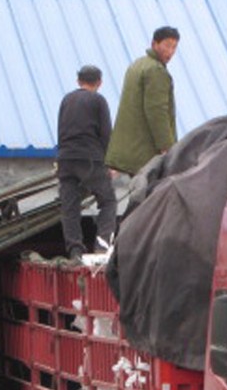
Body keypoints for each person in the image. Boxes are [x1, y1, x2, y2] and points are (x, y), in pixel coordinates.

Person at [56, 65, 117, 261]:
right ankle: (101, 246)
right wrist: (111, 163)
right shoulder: (98, 100)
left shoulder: (66, 100)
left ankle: (75, 251)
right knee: (108, 201)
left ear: (78, 81)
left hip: (66, 158)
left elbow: (60, 131)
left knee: (70, 207)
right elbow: (106, 133)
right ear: (99, 82)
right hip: (90, 158)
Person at [105, 26, 180, 175]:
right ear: (154, 44)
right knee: (151, 194)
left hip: (128, 148)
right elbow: (157, 111)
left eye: (174, 47)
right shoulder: (156, 71)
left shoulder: (137, 64)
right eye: (167, 46)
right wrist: (167, 147)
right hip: (145, 151)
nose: (170, 52)